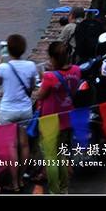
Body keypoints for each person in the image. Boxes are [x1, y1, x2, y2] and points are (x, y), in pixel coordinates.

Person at [36, 41, 82, 194]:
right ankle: (64, 189)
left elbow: (40, 95)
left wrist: (44, 76)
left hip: (50, 120)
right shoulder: (76, 70)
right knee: (62, 154)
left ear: (53, 58)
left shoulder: (49, 77)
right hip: (67, 117)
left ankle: (54, 191)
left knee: (50, 157)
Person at [0, 33, 38, 192]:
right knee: (24, 143)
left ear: (8, 50)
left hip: (7, 111)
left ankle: (14, 183)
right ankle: (21, 178)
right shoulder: (31, 66)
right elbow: (32, 86)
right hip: (25, 109)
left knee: (11, 146)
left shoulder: (3, 67)